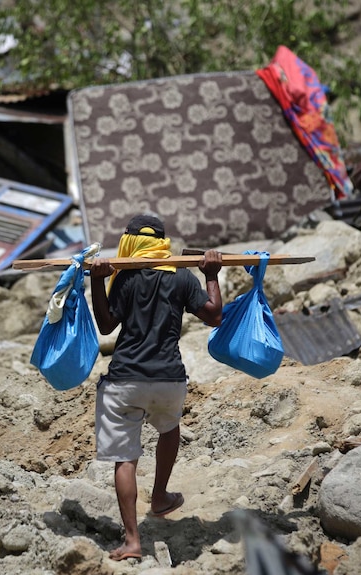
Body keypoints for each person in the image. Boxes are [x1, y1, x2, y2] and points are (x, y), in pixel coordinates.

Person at [88, 213, 223, 562]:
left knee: (125, 459)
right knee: (169, 428)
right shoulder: (181, 275)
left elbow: (105, 326)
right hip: (169, 378)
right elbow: (213, 315)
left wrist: (97, 282)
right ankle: (160, 495)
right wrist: (211, 276)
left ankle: (133, 541)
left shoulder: (127, 276)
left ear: (131, 242)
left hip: (125, 381)